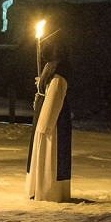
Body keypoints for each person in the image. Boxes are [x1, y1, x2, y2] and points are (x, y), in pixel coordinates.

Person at [26, 41, 73, 202]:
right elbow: (48, 90)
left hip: (53, 121)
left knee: (51, 155)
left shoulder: (59, 74)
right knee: (42, 154)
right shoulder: (51, 68)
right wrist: (42, 84)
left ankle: (49, 191)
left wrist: (44, 126)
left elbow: (54, 98)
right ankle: (38, 188)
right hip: (44, 113)